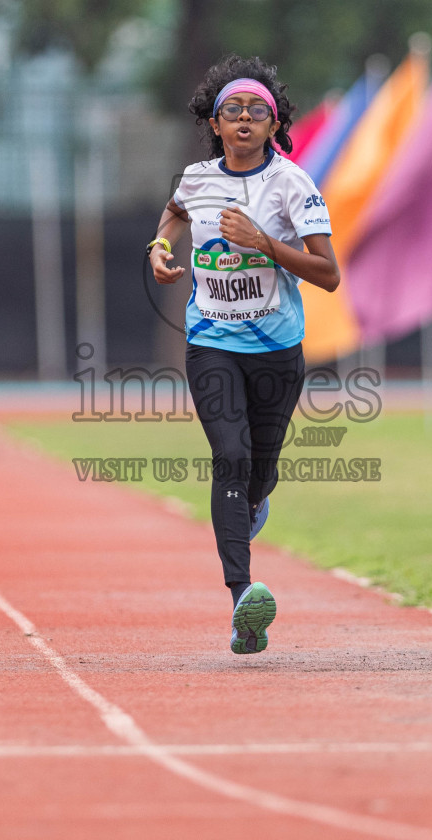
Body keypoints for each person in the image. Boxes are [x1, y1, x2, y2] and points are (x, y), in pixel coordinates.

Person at [147, 55, 339, 655]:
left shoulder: (294, 184)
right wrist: (158, 246)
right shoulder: (197, 177)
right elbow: (177, 211)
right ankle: (242, 602)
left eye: (259, 112)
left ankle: (257, 500)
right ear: (215, 123)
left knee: (260, 467)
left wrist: (266, 244)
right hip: (211, 343)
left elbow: (328, 274)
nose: (246, 120)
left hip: (277, 350)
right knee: (229, 455)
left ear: (273, 123)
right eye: (234, 111)